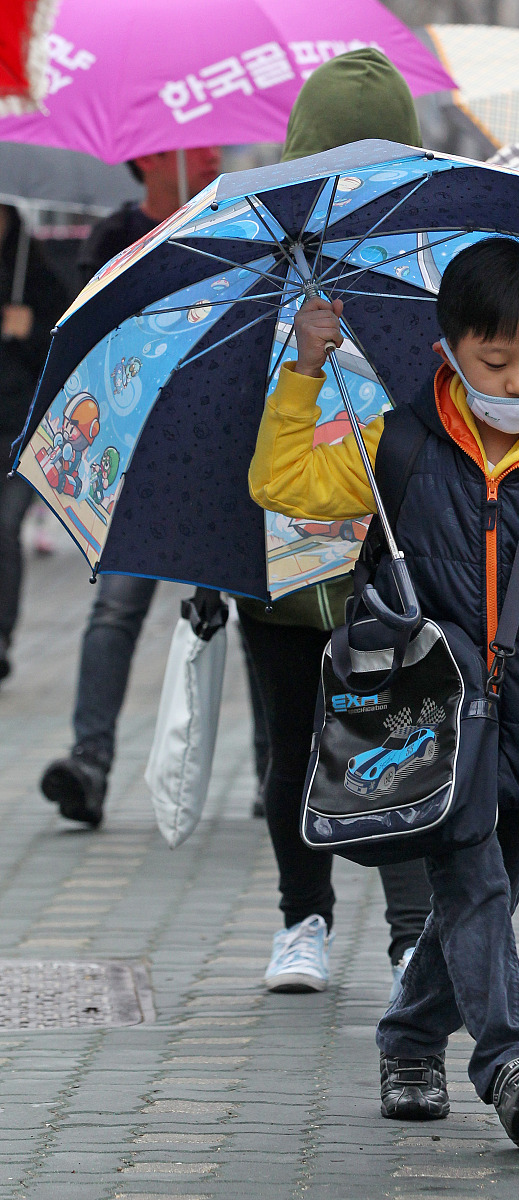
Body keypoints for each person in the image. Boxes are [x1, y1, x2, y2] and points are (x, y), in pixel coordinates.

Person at [250, 237, 519, 1148]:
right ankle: (511, 1064)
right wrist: (303, 372)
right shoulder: (397, 445)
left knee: (482, 899)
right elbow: (279, 481)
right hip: (427, 721)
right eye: (496, 360)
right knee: (475, 883)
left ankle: (408, 1038)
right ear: (450, 347)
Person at [235, 49, 433, 997]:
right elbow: (214, 414)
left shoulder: (433, 257)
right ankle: (301, 918)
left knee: (395, 736)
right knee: (290, 746)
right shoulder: (247, 260)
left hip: (388, 555)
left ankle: (410, 933)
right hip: (274, 560)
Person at [38, 148, 228, 825]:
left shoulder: (233, 221)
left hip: (217, 453)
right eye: (198, 147)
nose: (212, 156)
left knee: (248, 608)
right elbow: (90, 332)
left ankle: (275, 773)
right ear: (151, 159)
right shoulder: (114, 237)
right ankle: (89, 763)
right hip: (136, 462)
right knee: (116, 609)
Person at [0, 205, 68, 682]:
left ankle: (1, 636)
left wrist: (24, 335)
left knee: (5, 529)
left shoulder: (35, 272)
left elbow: (58, 346)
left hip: (19, 425)